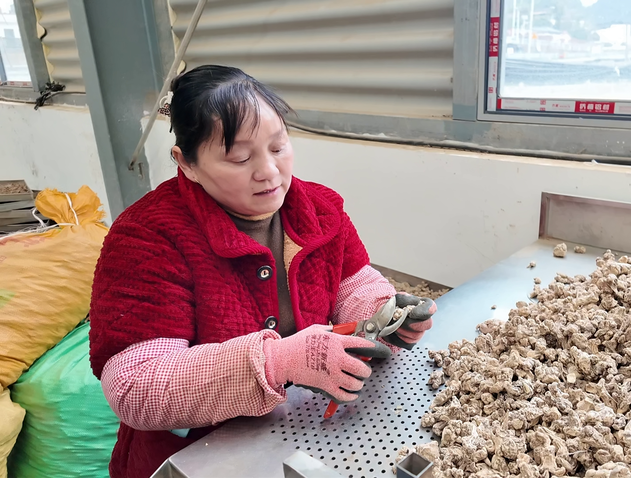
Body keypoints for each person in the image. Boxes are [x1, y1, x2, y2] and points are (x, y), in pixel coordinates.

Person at [88, 64, 437, 478]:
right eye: (239, 157)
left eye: (278, 147)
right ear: (187, 163)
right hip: (197, 457)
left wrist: (383, 314)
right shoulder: (147, 237)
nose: (269, 172)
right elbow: (138, 386)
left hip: (301, 433)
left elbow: (351, 280)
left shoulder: (319, 208)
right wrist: (278, 362)